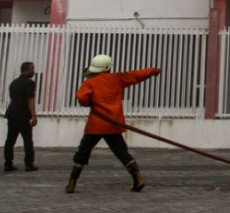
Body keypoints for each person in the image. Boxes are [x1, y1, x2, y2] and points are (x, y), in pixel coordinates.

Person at [65, 54, 161, 193]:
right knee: (122, 152)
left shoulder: (90, 82)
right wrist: (153, 71)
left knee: (83, 151)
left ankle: (72, 183)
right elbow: (136, 75)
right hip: (113, 124)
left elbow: (81, 98)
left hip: (96, 125)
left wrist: (89, 102)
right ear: (108, 67)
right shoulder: (117, 79)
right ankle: (138, 179)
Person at [3, 61, 38, 172]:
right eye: (32, 69)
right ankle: (29, 164)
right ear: (26, 70)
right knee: (27, 140)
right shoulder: (29, 83)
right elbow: (30, 100)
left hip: (12, 113)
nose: (33, 71)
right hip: (23, 115)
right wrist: (34, 115)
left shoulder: (14, 83)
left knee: (10, 140)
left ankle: (8, 163)